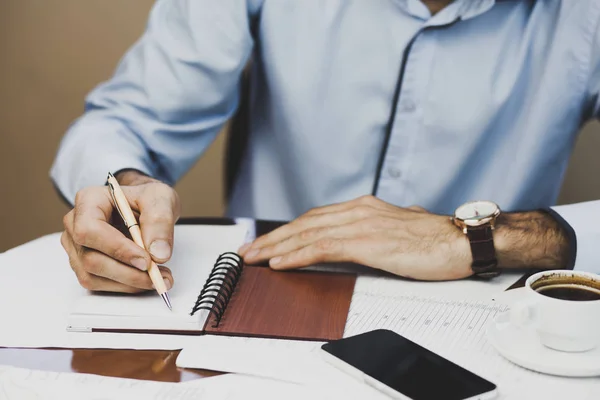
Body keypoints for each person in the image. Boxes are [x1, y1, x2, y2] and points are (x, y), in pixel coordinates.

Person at [51, 0, 600, 294]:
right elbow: (126, 122)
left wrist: (498, 238)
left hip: (493, 319)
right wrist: (124, 185)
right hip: (259, 297)